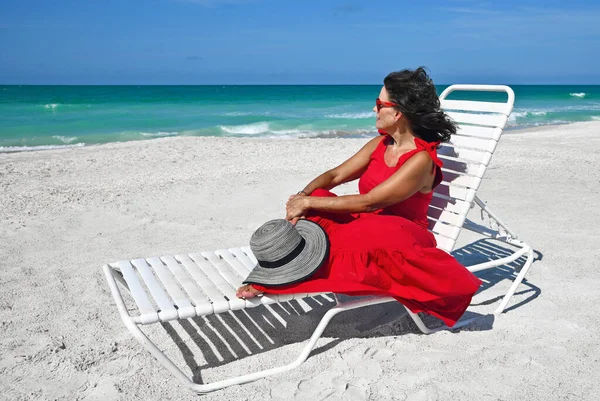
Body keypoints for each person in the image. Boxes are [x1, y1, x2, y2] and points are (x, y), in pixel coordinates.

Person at [236, 67, 482, 327]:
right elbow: (335, 175)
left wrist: (308, 203)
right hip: (368, 221)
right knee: (321, 197)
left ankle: (287, 279)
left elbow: (370, 201)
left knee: (334, 217)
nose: (374, 110)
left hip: (402, 234)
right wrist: (304, 195)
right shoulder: (381, 144)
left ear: (397, 113)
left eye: (379, 104)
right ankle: (294, 264)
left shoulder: (420, 160)